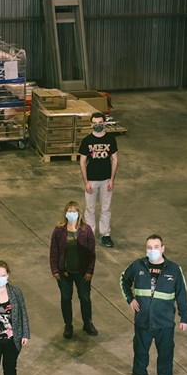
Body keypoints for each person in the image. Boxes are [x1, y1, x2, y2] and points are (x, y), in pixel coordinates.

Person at [120, 234, 187, 375]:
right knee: (140, 355)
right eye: (149, 247)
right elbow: (123, 280)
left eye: (156, 247)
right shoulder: (138, 265)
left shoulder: (174, 269)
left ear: (163, 248)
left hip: (165, 323)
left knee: (165, 356)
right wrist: (130, 299)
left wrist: (184, 317)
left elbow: (182, 295)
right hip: (143, 321)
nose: (153, 250)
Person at [49, 201, 97, 339]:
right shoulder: (59, 230)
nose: (72, 213)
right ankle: (68, 325)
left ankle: (87, 323)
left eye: (74, 210)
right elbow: (54, 251)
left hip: (82, 273)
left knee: (85, 298)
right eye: (69, 211)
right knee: (65, 298)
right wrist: (55, 270)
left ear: (79, 213)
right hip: (64, 272)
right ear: (65, 213)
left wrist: (90, 271)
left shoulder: (86, 230)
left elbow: (92, 252)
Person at [79, 112, 118, 248]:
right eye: (95, 123)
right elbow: (82, 162)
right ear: (91, 124)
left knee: (106, 208)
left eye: (100, 122)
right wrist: (86, 182)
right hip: (91, 180)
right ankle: (89, 235)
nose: (98, 125)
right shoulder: (87, 141)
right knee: (89, 209)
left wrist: (112, 179)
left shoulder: (111, 139)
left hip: (106, 180)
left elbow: (115, 159)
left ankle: (105, 235)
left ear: (104, 123)